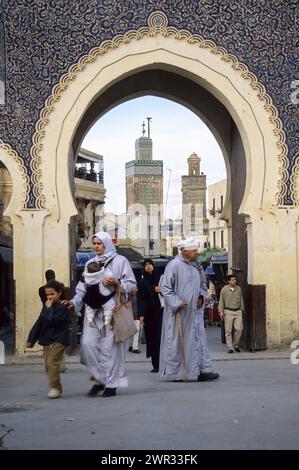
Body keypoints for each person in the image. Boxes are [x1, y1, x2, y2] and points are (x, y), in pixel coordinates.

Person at [67, 231, 136, 398]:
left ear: (106, 244)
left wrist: (116, 282)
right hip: (92, 313)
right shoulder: (90, 262)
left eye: (99, 243)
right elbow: (82, 287)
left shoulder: (120, 261)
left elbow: (131, 284)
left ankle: (111, 384)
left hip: (111, 313)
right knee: (88, 345)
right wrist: (74, 302)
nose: (96, 246)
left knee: (109, 349)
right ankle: (99, 379)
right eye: (95, 243)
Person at [159, 237, 219, 382]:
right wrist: (177, 302)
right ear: (185, 252)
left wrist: (201, 296)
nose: (197, 253)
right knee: (178, 342)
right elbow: (165, 288)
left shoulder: (197, 265)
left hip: (195, 313)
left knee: (199, 341)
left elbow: (203, 284)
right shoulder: (173, 265)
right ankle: (176, 373)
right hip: (179, 313)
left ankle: (203, 370)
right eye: (194, 251)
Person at [26, 280, 69, 398]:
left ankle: (54, 387)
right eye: (48, 295)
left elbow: (54, 320)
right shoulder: (46, 306)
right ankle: (57, 386)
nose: (50, 297)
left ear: (59, 293)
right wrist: (31, 339)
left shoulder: (63, 306)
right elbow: (40, 322)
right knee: (47, 365)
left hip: (59, 338)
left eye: (52, 294)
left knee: (51, 362)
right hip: (47, 338)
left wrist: (49, 308)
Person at [138, 259, 163, 372]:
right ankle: (155, 364)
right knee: (151, 338)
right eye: (146, 265)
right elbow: (141, 299)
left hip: (161, 312)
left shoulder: (160, 279)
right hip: (148, 314)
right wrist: (141, 314)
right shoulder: (142, 282)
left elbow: (170, 291)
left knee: (160, 337)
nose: (148, 267)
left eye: (150, 264)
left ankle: (163, 362)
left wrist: (161, 290)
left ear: (153, 266)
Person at [83, 261, 115, 329]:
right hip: (102, 295)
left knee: (90, 307)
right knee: (109, 306)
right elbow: (110, 276)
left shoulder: (86, 277)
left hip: (90, 296)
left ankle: (90, 319)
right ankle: (107, 320)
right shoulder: (102, 274)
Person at [218, 274, 244, 353]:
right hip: (228, 311)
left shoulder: (238, 289)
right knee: (228, 330)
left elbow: (241, 300)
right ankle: (230, 347)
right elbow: (221, 301)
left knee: (239, 329)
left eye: (235, 279)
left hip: (238, 311)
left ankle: (235, 344)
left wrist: (242, 309)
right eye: (232, 280)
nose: (234, 281)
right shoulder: (224, 290)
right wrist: (221, 311)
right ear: (229, 281)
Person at [128, 287, 141, 353]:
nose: (135, 289)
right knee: (131, 333)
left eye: (136, 288)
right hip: (130, 317)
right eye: (134, 288)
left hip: (137, 317)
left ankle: (135, 348)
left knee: (136, 332)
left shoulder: (140, 296)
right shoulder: (128, 296)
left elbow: (141, 306)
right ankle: (130, 345)